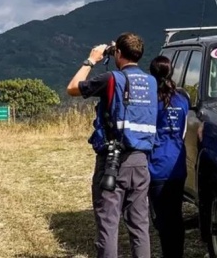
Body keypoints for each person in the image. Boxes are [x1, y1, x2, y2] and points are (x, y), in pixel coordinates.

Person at [67, 32, 157, 258]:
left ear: (118, 53)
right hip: (141, 161)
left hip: (113, 162)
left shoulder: (112, 79)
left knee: (108, 224)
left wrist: (92, 59)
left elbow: (73, 88)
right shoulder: (151, 82)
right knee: (139, 226)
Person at [148, 55, 189, 258]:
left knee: (161, 219)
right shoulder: (183, 100)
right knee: (175, 216)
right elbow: (183, 131)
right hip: (177, 165)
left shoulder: (149, 102)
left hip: (155, 166)